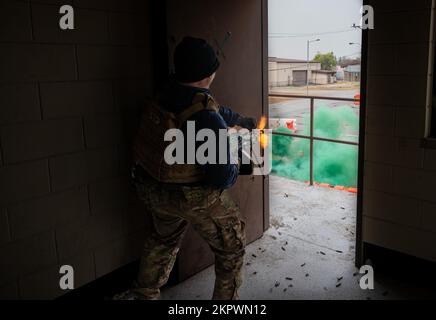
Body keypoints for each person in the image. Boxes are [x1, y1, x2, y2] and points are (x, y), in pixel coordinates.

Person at [116, 37, 256, 300]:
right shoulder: (207, 119)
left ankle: (142, 295)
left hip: (155, 190)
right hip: (194, 197)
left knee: (162, 241)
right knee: (232, 249)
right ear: (209, 74)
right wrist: (239, 157)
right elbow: (221, 177)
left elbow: (203, 106)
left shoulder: (166, 91)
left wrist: (237, 119)